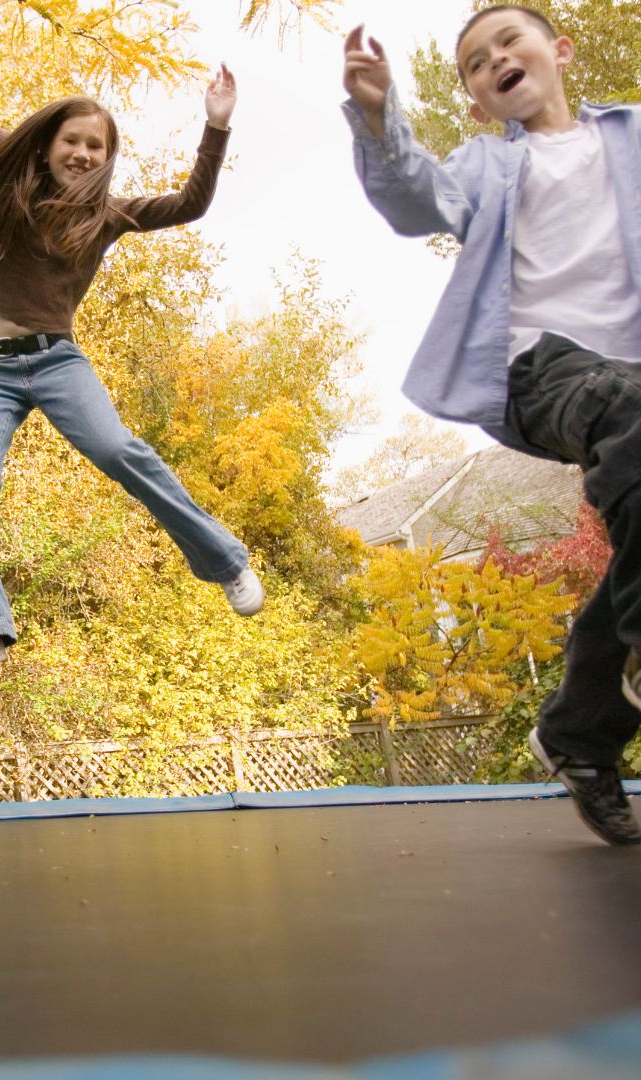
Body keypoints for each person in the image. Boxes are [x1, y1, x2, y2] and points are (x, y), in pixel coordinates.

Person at [343, 4, 641, 845]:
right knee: (630, 410)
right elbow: (411, 197)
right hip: (544, 369)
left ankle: (580, 732)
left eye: (509, 42)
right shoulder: (484, 165)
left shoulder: (630, 137)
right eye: (476, 62)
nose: (494, 60)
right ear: (477, 101)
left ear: (560, 50)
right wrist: (377, 114)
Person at [0, 0, 264, 681]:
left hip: (56, 363)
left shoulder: (112, 216)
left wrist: (215, 127)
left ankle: (225, 561)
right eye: (72, 140)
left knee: (122, 452)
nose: (81, 153)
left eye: (95, 147)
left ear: (107, 159)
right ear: (47, 144)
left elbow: (191, 203)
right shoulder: (12, 174)